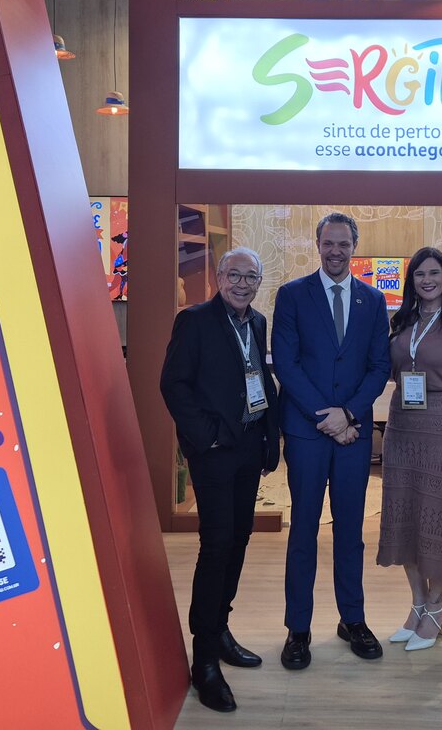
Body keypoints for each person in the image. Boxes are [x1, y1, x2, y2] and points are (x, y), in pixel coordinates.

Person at [160, 247, 280, 713]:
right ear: (218, 277)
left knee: (240, 539)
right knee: (216, 546)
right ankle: (204, 660)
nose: (242, 284)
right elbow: (173, 385)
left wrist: (270, 438)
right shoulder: (194, 321)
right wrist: (207, 436)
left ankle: (221, 629)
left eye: (251, 277)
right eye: (234, 275)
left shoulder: (257, 322)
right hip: (214, 453)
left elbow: (260, 380)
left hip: (249, 447)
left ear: (259, 282)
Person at [272, 211, 391, 669]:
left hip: (353, 433)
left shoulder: (373, 300)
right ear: (317, 244)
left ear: (354, 247)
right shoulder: (292, 295)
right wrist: (330, 418)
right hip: (307, 432)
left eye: (344, 244)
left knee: (350, 531)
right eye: (329, 243)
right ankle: (298, 628)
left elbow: (379, 366)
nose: (336, 251)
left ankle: (352, 619)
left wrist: (350, 414)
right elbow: (286, 364)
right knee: (303, 529)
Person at [376, 246, 442, 651]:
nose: (427, 280)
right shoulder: (401, 323)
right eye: (420, 274)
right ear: (412, 281)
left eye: (434, 273)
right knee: (404, 515)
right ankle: (418, 603)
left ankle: (437, 606)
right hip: (403, 427)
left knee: (440, 518)